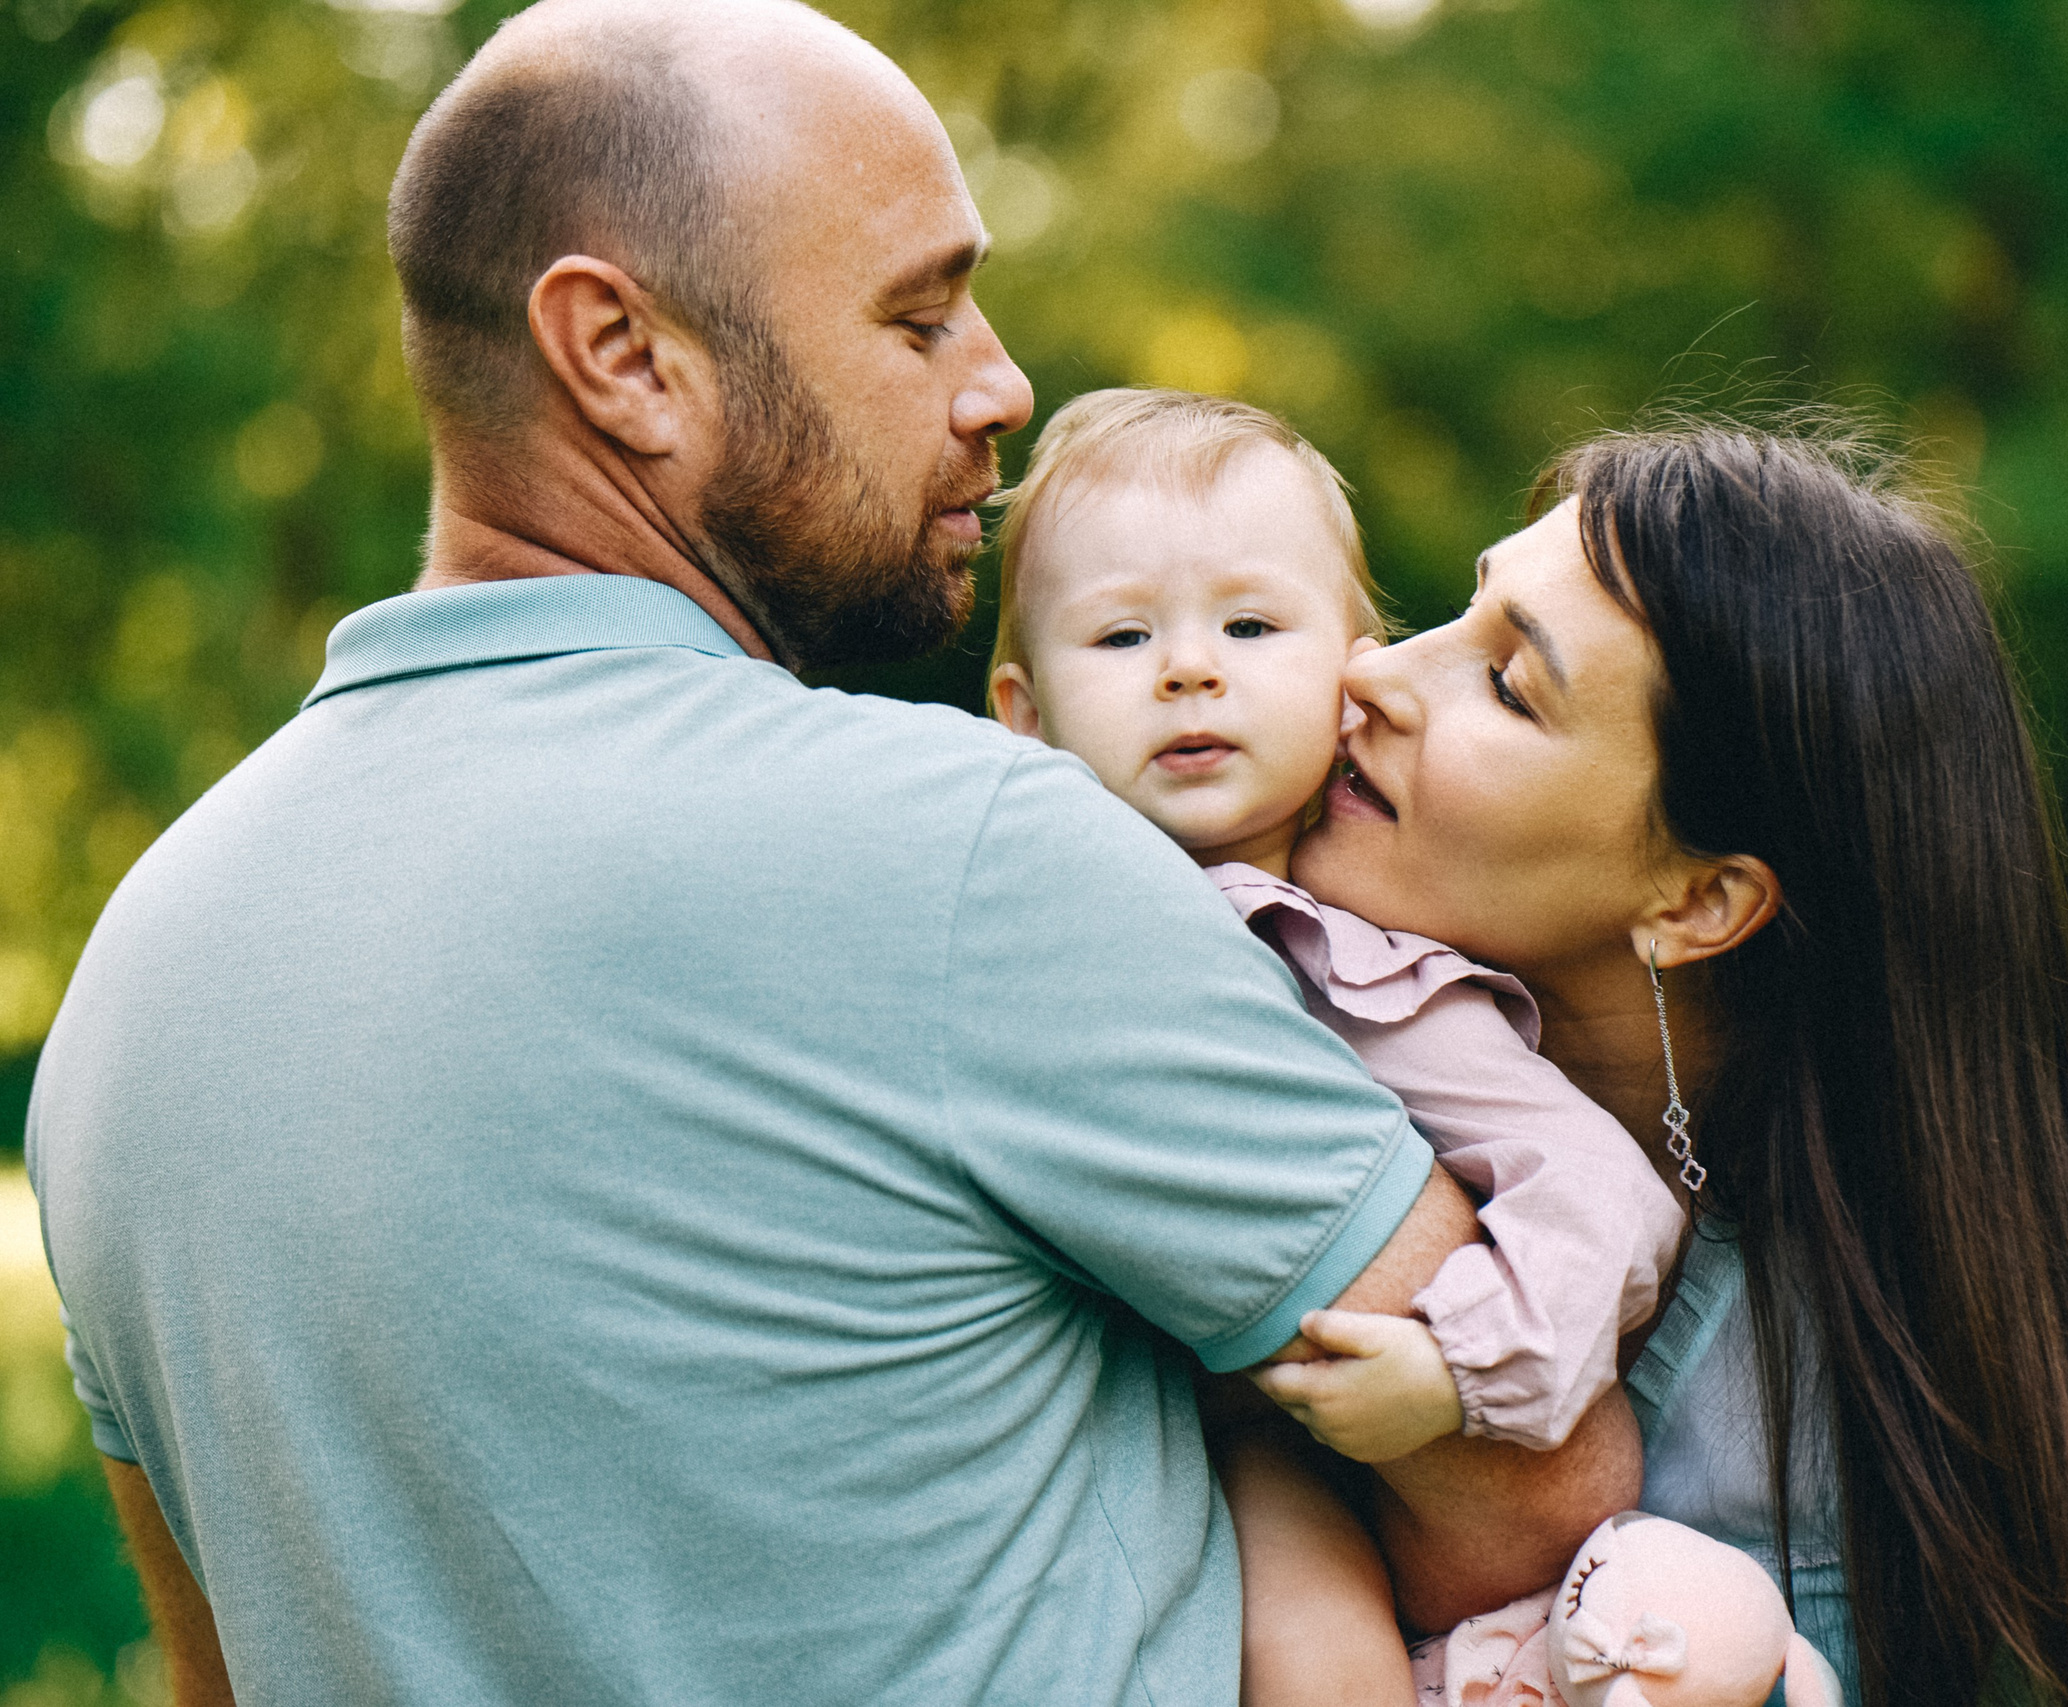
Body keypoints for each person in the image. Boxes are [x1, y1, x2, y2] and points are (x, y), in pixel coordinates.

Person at [23, 5, 1633, 1702]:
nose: (1002, 383)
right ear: (624, 356)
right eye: (920, 313)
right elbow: (1537, 1497)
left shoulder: (132, 987)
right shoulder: (969, 850)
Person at [1288, 422, 2068, 1707]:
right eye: (1455, 615)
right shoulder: (1274, 1072)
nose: (1372, 670)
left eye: (1508, 684)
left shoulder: (1924, 1322)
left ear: (1700, 899)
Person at [983, 387, 1686, 1702]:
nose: (1190, 667)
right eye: (1125, 633)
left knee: (1314, 1650)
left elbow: (1603, 1194)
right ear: (1022, 711)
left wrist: (1460, 1366)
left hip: (1288, 1447)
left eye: (1251, 626)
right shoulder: (1015, 908)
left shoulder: (1368, 976)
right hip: (1051, 1406)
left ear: (1346, 668)